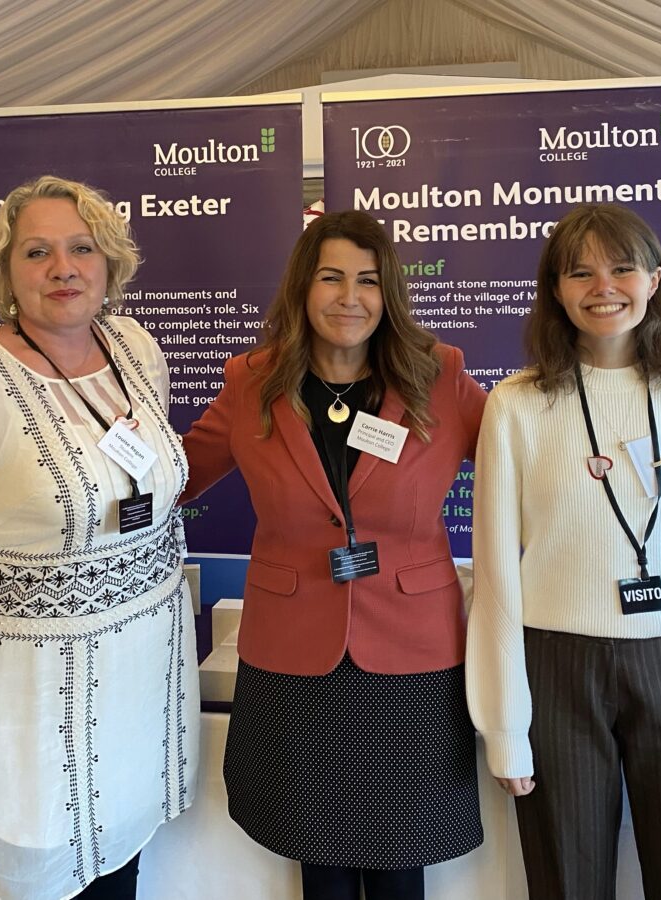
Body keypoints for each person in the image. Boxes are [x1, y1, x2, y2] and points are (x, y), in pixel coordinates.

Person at [467, 203, 661, 899]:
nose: (601, 285)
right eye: (579, 271)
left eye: (621, 267)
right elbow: (495, 580)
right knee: (566, 881)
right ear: (555, 290)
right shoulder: (514, 406)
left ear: (655, 280)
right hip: (556, 664)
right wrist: (506, 729)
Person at [0, 175, 198, 900]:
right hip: (30, 700)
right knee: (35, 871)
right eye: (37, 252)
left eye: (80, 249)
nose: (63, 268)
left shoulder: (134, 347)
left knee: (120, 868)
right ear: (4, 273)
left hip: (142, 676)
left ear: (109, 264)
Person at [182, 210, 486, 900]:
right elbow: (175, 475)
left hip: (411, 654)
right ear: (302, 287)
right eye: (332, 277)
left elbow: (531, 458)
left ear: (389, 293)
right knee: (315, 857)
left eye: (368, 280)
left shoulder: (437, 376)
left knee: (401, 857)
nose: (350, 296)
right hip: (295, 654)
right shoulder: (252, 381)